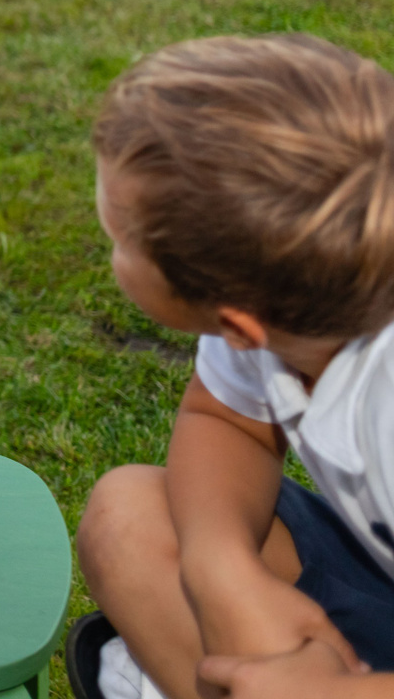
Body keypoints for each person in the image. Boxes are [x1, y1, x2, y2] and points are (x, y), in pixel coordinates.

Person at [69, 35, 394, 699]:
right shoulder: (286, 304)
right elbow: (226, 420)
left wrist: (333, 694)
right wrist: (222, 569)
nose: (109, 246)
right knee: (126, 517)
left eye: (119, 239)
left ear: (237, 324)